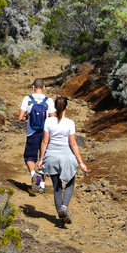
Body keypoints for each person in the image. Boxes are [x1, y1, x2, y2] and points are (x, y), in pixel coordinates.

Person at [36, 96, 88, 225]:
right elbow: (73, 144)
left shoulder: (48, 121)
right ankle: (64, 207)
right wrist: (81, 162)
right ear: (67, 107)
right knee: (70, 184)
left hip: (51, 157)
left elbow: (45, 141)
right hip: (66, 157)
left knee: (57, 188)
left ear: (55, 107)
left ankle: (60, 219)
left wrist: (41, 159)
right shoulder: (70, 123)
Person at [18, 78, 55, 193]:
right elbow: (53, 118)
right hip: (45, 134)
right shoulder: (49, 101)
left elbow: (20, 117)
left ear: (33, 87)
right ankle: (42, 185)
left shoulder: (27, 99)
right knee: (43, 158)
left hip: (32, 132)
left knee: (29, 156)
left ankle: (34, 174)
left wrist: (28, 118)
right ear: (44, 87)